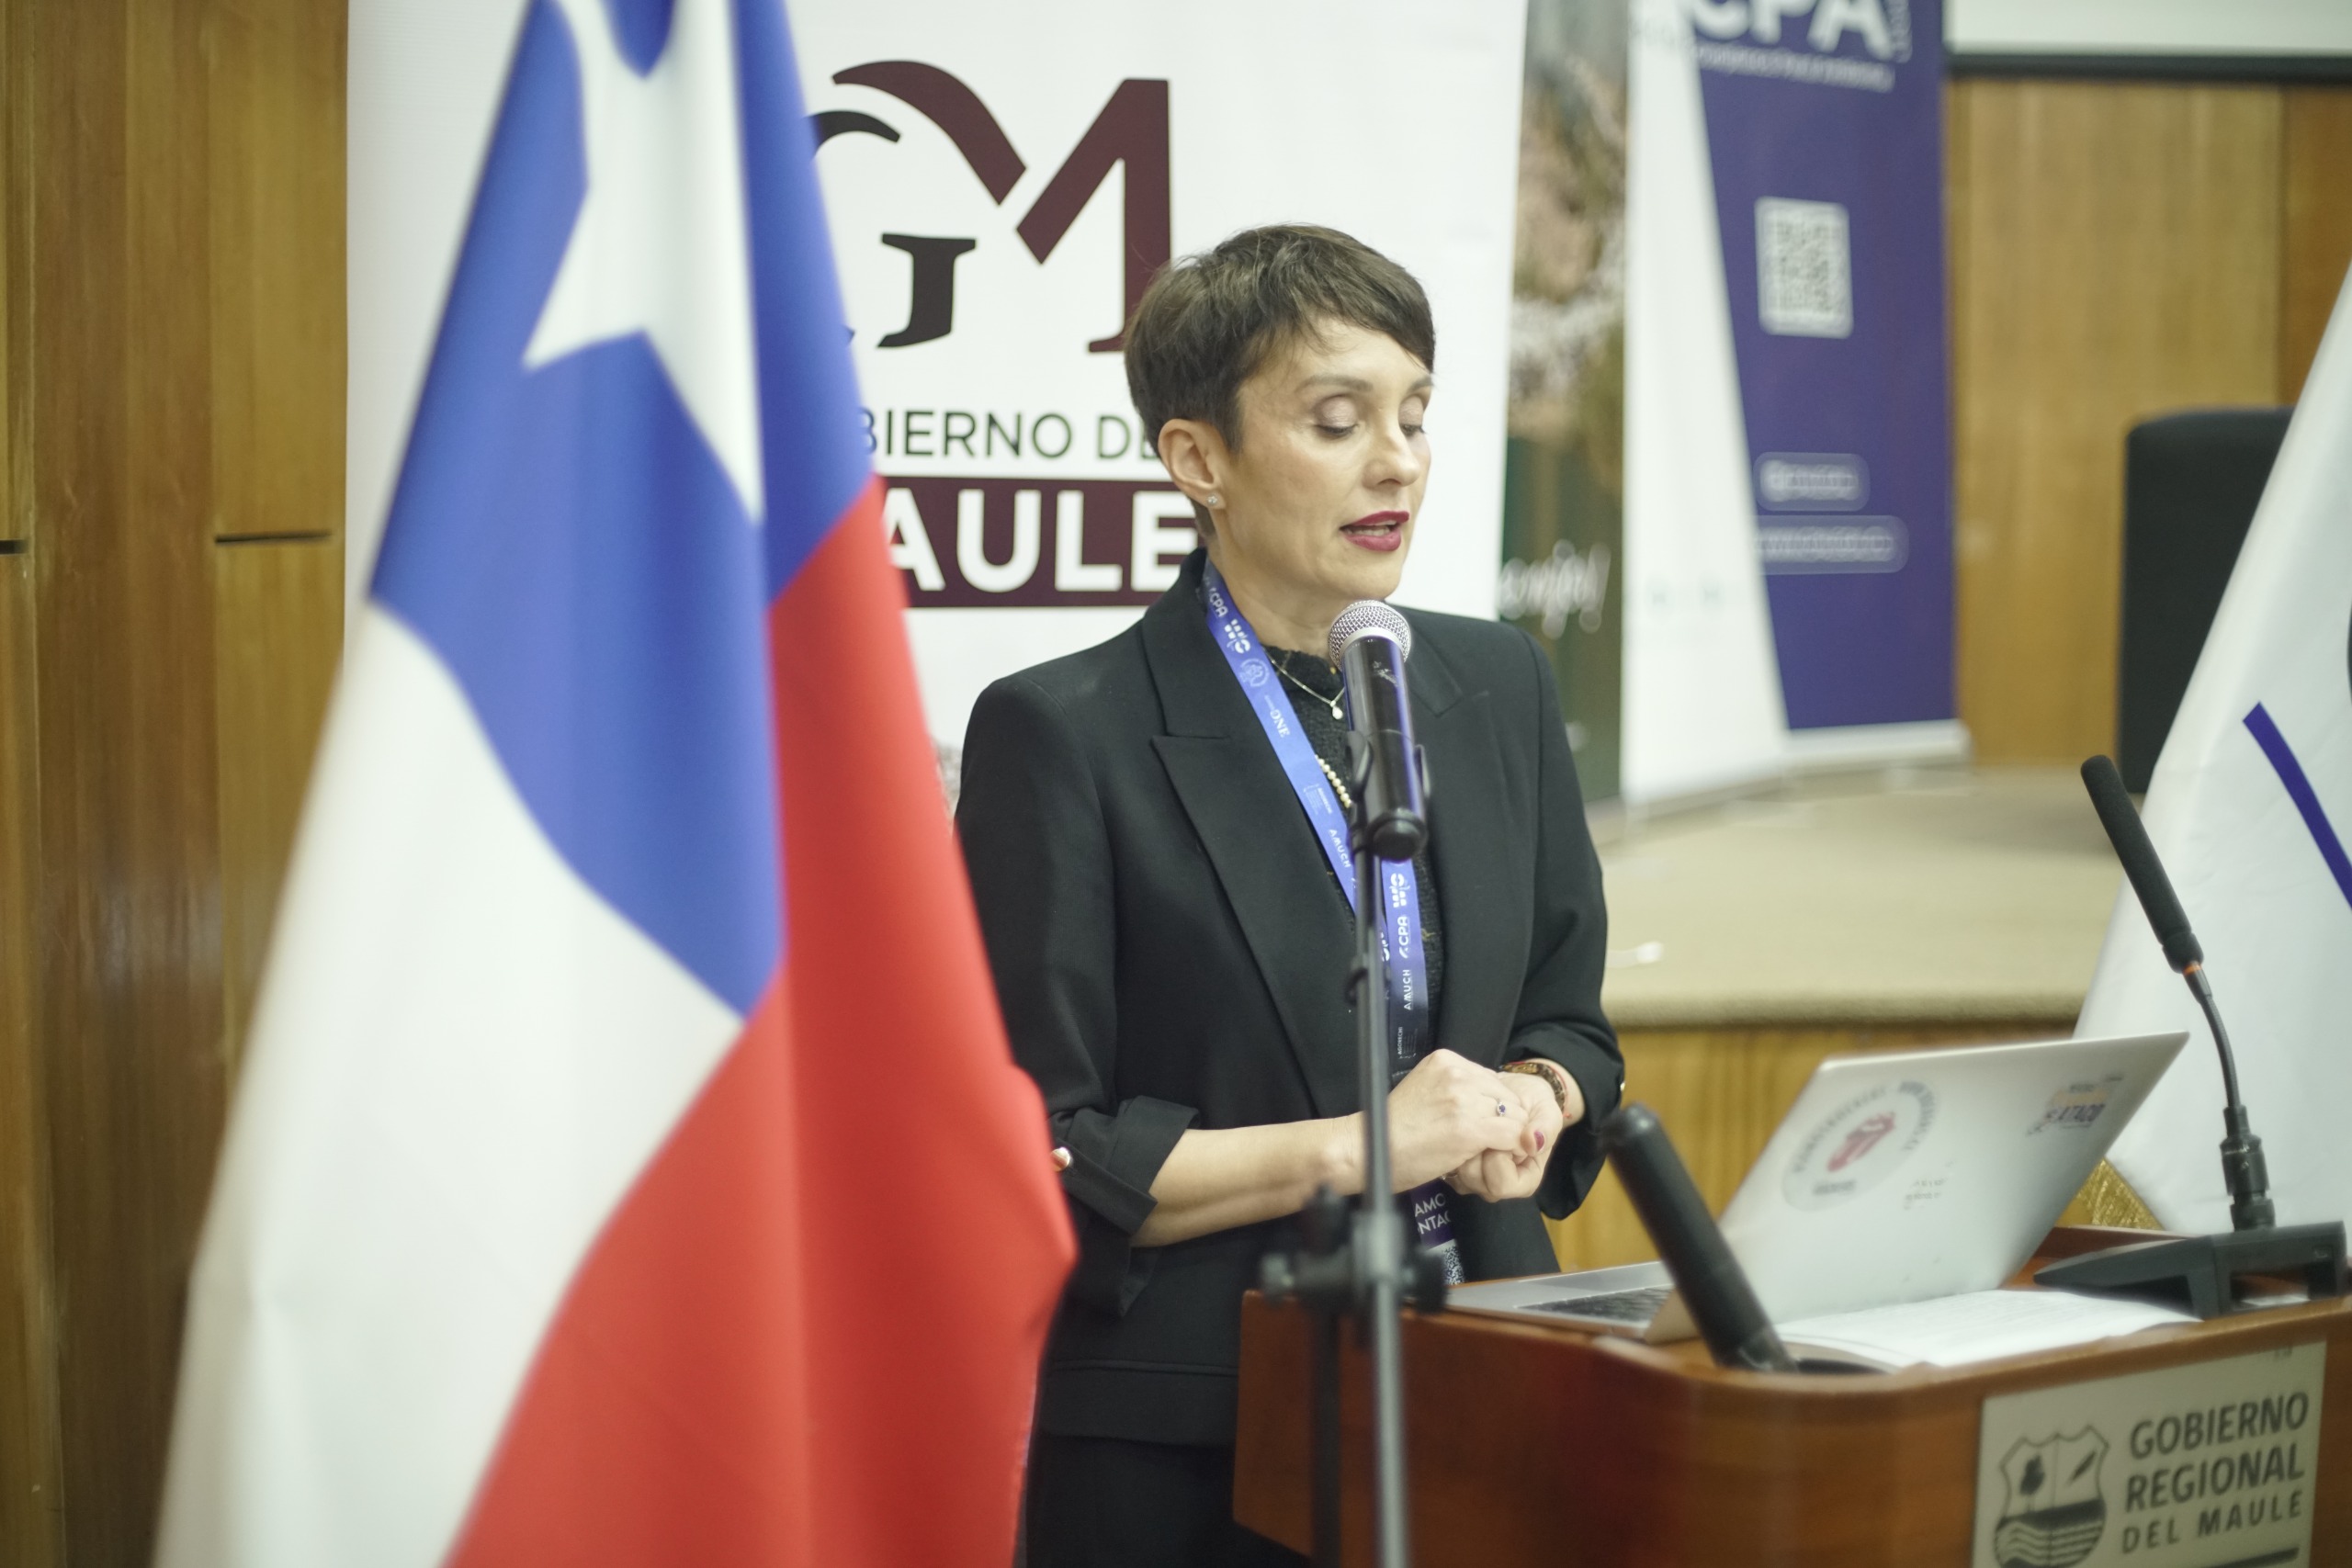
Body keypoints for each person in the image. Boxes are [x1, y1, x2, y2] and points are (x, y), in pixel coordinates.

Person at [956, 225, 1621, 1568]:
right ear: (1198, 459)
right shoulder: (1062, 733)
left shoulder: (1496, 684)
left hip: (1487, 1368)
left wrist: (1535, 1100)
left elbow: (1569, 1022)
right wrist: (1364, 1145)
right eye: (1337, 420)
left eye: (1415, 416)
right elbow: (1047, 1152)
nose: (1398, 461)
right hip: (1200, 1436)